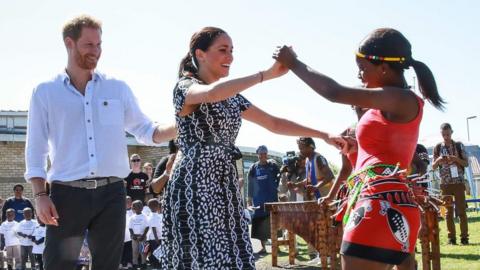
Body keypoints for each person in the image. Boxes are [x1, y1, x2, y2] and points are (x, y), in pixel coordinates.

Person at [157, 26, 345, 269]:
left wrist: (324, 134)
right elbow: (211, 93)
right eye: (223, 50)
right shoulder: (185, 86)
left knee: (231, 252)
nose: (230, 57)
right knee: (199, 256)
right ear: (200, 54)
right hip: (195, 182)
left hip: (224, 182)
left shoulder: (232, 96)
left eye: (232, 51)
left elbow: (273, 122)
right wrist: (264, 74)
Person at [274, 28, 445, 269]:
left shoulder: (401, 99)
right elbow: (383, 151)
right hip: (392, 204)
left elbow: (334, 92)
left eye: (363, 68)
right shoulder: (391, 104)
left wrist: (293, 63)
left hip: (378, 207)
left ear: (383, 68)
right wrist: (355, 148)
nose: (359, 74)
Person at [24, 15, 175, 270]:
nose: (96, 51)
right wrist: (40, 194)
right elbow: (35, 147)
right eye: (89, 45)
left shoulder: (117, 89)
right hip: (66, 196)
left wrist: (182, 125)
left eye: (99, 45)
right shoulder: (45, 92)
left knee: (108, 265)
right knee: (57, 265)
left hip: (112, 194)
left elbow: (146, 129)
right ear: (69, 44)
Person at [433, 123, 469, 245]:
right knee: (448, 212)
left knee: (461, 211)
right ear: (441, 134)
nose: (446, 137)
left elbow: (466, 164)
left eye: (447, 134)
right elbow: (433, 167)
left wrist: (455, 159)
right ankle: (451, 238)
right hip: (445, 184)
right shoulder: (438, 147)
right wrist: (438, 160)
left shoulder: (459, 145)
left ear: (451, 132)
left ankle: (464, 237)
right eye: (443, 135)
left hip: (458, 183)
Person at [247, 145, 280, 255]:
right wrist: (249, 199)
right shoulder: (253, 168)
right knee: (260, 223)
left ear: (267, 154)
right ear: (257, 155)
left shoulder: (273, 166)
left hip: (272, 199)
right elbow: (250, 184)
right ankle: (263, 248)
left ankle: (277, 247)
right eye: (261, 153)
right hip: (259, 200)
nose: (263, 155)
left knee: (274, 223)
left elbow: (280, 178)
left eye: (264, 153)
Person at [128, 200, 149, 270]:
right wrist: (132, 235)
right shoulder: (132, 217)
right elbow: (130, 227)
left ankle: (144, 263)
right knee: (135, 251)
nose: (138, 208)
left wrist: (143, 235)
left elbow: (147, 226)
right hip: (134, 237)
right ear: (133, 208)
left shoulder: (144, 216)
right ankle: (135, 264)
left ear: (142, 208)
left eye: (140, 206)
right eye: (135, 207)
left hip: (142, 236)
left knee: (143, 251)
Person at [146, 199, 162, 268]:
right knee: (156, 251)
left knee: (156, 251)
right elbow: (153, 228)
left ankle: (154, 261)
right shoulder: (153, 216)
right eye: (158, 205)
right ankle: (156, 264)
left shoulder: (155, 215)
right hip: (155, 238)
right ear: (155, 206)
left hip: (157, 237)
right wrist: (156, 239)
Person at [121, 196, 134, 270]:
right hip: (121, 235)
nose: (128, 203)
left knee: (129, 249)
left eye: (129, 201)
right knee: (121, 250)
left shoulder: (134, 211)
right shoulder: (120, 210)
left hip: (130, 236)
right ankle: (120, 263)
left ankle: (129, 263)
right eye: (126, 201)